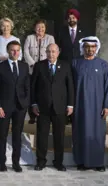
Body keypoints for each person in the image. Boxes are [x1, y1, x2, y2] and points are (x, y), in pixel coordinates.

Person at [30, 43, 74, 171]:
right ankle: (41, 161)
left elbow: (70, 86)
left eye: (53, 51)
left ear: (58, 52)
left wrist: (70, 104)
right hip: (42, 107)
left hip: (60, 107)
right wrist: (33, 104)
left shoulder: (65, 66)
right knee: (42, 136)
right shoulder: (39, 66)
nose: (51, 54)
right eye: (48, 51)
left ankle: (58, 162)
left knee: (59, 136)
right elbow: (33, 87)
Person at [71, 36, 108, 172]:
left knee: (98, 134)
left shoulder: (103, 65)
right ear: (83, 48)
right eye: (87, 46)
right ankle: (81, 161)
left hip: (98, 107)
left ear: (96, 48)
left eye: (93, 47)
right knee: (80, 133)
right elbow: (70, 86)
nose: (90, 49)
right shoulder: (75, 63)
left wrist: (107, 106)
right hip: (80, 105)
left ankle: (98, 162)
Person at [0, 41, 30, 172]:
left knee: (17, 136)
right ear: (8, 51)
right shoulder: (0, 67)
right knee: (2, 135)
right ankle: (2, 163)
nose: (15, 52)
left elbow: (27, 87)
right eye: (13, 50)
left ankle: (16, 163)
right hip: (4, 108)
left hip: (20, 107)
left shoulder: (24, 66)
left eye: (17, 50)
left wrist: (25, 103)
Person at [24, 19, 55, 124]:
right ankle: (32, 116)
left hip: (45, 69)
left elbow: (52, 52)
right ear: (34, 28)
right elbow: (26, 52)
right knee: (32, 90)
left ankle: (45, 114)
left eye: (42, 27)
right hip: (32, 68)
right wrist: (33, 64)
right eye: (38, 27)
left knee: (43, 90)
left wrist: (41, 66)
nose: (40, 29)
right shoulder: (29, 38)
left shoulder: (50, 38)